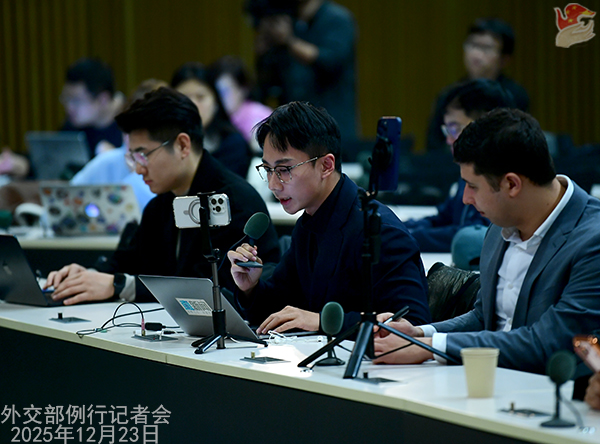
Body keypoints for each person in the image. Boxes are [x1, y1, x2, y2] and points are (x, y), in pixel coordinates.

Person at [374, 108, 600, 375]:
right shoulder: (501, 224)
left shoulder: (592, 241)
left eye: (472, 186)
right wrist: (420, 333)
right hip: (491, 380)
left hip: (555, 392)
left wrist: (429, 347)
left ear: (512, 185)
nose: (465, 199)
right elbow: (484, 318)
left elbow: (547, 344)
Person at [45, 87, 280, 305]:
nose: (138, 169)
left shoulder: (233, 201)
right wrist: (86, 276)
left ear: (182, 145)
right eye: (132, 158)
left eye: (143, 155)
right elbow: (127, 263)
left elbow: (209, 289)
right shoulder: (161, 204)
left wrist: (119, 285)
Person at [227, 101, 430, 335]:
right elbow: (281, 308)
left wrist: (323, 321)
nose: (273, 184)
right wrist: (250, 288)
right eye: (268, 170)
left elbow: (414, 324)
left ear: (326, 165)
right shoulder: (310, 221)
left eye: (284, 170)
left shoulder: (379, 230)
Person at [404, 79, 514, 252]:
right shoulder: (469, 170)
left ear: (485, 125)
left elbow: (470, 235)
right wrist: (400, 226)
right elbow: (444, 217)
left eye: (454, 129)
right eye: (447, 130)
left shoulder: (499, 177)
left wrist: (406, 237)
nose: (449, 140)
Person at [248, 0, 358, 142]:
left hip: (332, 124)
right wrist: (265, 50)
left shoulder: (337, 19)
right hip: (294, 128)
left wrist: (289, 41)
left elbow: (330, 61)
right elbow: (268, 84)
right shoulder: (289, 19)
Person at [426, 18, 530, 152]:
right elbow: (434, 145)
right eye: (472, 45)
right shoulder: (449, 95)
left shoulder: (515, 95)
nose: (476, 54)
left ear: (504, 59)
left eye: (486, 48)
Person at [70, 79, 169, 211]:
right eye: (129, 129)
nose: (132, 139)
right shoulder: (107, 161)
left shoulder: (171, 164)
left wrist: (136, 175)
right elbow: (68, 195)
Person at [171, 62, 251, 178]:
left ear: (216, 102)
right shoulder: (163, 144)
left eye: (200, 97)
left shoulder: (233, 144)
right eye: (184, 98)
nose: (193, 105)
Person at [60, 58, 124, 158]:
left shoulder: (131, 128)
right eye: (67, 99)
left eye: (76, 100)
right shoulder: (72, 127)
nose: (69, 107)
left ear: (103, 99)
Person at [209, 55, 273, 151]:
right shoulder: (214, 119)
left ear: (243, 88)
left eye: (224, 91)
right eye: (216, 92)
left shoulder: (261, 116)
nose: (219, 97)